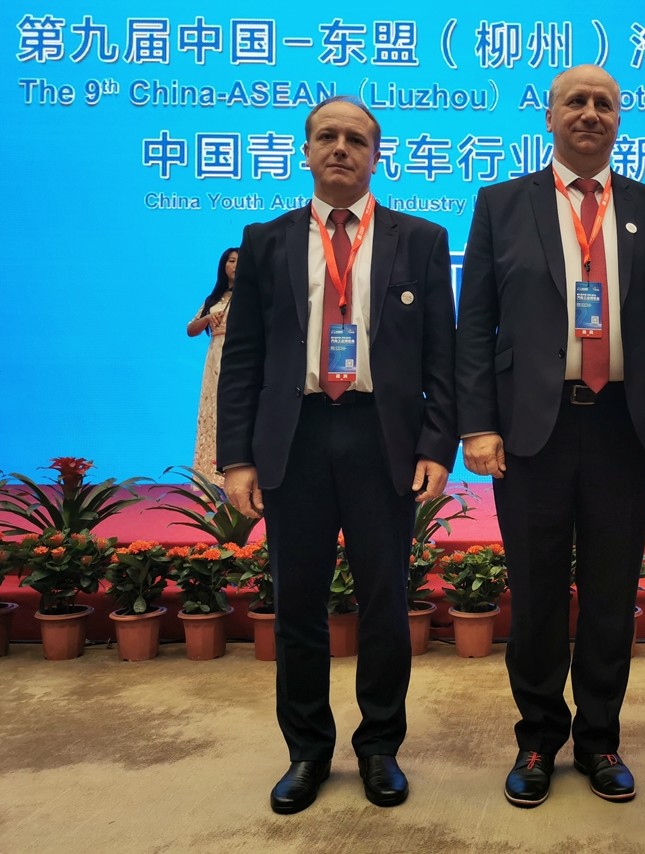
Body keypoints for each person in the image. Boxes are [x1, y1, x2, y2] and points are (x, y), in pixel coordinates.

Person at [216, 95, 457, 815]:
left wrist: (436, 445)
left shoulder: (421, 239)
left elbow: (441, 356)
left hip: (383, 438)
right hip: (297, 437)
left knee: (385, 601)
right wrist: (237, 458)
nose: (341, 148)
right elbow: (243, 357)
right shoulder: (267, 241)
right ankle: (307, 751)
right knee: (297, 603)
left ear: (377, 156)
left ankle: (380, 747)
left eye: (356, 138)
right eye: (327, 136)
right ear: (306, 151)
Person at [456, 64, 645, 808]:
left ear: (619, 120)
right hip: (533, 428)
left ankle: (600, 739)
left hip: (624, 426)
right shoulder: (502, 203)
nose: (590, 113)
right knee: (538, 592)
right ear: (549, 117)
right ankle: (536, 739)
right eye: (575, 102)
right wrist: (478, 423)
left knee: (613, 594)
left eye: (604, 104)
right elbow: (474, 324)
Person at [186, 246, 238, 482]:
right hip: (216, 358)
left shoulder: (252, 295)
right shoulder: (213, 299)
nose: (235, 266)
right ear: (223, 265)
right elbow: (191, 330)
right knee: (213, 412)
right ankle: (211, 477)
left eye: (240, 261)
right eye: (231, 261)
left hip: (241, 355)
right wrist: (207, 318)